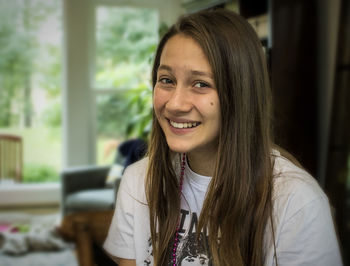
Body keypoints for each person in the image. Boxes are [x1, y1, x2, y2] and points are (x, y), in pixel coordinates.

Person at [103, 8, 342, 266]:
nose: (174, 104)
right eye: (166, 80)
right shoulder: (139, 181)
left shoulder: (296, 201)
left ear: (240, 93)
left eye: (201, 84)